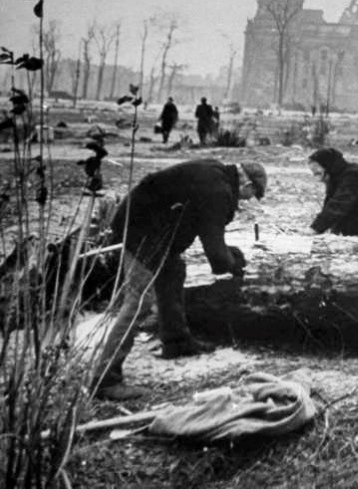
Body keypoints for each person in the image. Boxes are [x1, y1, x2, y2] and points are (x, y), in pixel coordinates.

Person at [91, 158, 267, 400]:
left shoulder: (215, 175)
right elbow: (216, 256)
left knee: (174, 270)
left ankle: (177, 341)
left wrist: (229, 255)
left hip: (152, 229)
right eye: (250, 195)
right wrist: (234, 263)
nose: (246, 201)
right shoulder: (219, 190)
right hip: (140, 231)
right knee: (139, 300)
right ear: (247, 183)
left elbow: (208, 232)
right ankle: (105, 379)